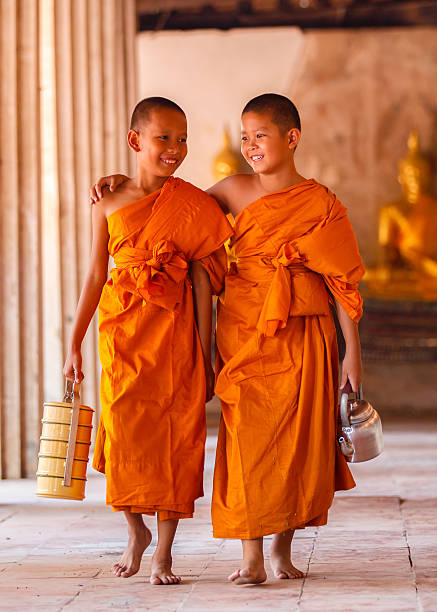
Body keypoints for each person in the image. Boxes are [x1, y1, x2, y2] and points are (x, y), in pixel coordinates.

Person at [90, 93, 365, 586]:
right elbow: (167, 204)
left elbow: (342, 283)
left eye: (260, 135)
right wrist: (120, 181)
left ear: (291, 138)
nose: (251, 146)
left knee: (299, 441)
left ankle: (280, 549)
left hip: (304, 328)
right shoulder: (232, 191)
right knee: (245, 439)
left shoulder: (322, 204)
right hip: (243, 329)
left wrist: (353, 357)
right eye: (245, 137)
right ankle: (251, 553)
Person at [64, 96, 232, 585]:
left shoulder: (193, 205)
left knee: (177, 440)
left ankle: (164, 552)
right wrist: (74, 343)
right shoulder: (108, 202)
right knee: (124, 436)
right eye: (164, 138)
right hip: (122, 337)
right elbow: (96, 275)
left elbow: (204, 285)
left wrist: (206, 351)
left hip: (175, 335)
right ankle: (135, 530)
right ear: (136, 141)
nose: (175, 149)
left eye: (182, 139)